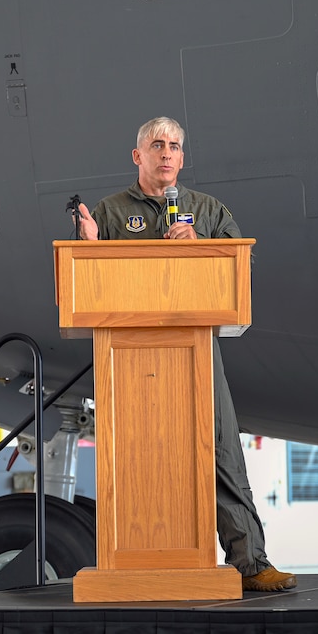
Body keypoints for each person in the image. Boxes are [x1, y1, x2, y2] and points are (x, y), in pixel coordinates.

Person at [74, 116, 297, 592]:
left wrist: (201, 247)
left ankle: (251, 563)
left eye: (175, 145)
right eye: (158, 145)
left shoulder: (205, 209)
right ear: (139, 156)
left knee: (219, 448)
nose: (168, 153)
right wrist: (89, 245)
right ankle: (130, 565)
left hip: (196, 349)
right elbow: (87, 281)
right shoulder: (111, 213)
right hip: (128, 359)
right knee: (134, 451)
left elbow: (241, 262)